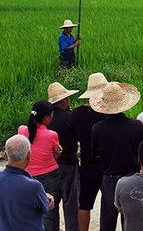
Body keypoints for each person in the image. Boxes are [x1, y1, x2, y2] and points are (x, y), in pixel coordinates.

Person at [90, 82, 143, 231]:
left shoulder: (97, 128)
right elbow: (141, 153)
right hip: (131, 177)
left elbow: (95, 154)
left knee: (108, 216)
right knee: (131, 218)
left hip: (109, 177)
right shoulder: (137, 125)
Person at [18, 100, 62, 231]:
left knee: (29, 209)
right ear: (46, 117)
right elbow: (55, 155)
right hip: (49, 175)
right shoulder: (51, 135)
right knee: (49, 211)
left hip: (28, 174)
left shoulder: (22, 131)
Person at [72, 72, 109, 231]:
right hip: (106, 163)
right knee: (108, 205)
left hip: (86, 162)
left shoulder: (76, 114)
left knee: (85, 203)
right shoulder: (107, 113)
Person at [0, 134, 55, 231]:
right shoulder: (34, 186)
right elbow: (46, 207)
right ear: (29, 155)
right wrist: (48, 198)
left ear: (5, 155)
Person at [47, 82, 80, 231]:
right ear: (63, 101)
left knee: (51, 205)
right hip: (69, 164)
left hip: (49, 167)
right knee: (71, 203)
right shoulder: (70, 117)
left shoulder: (44, 119)